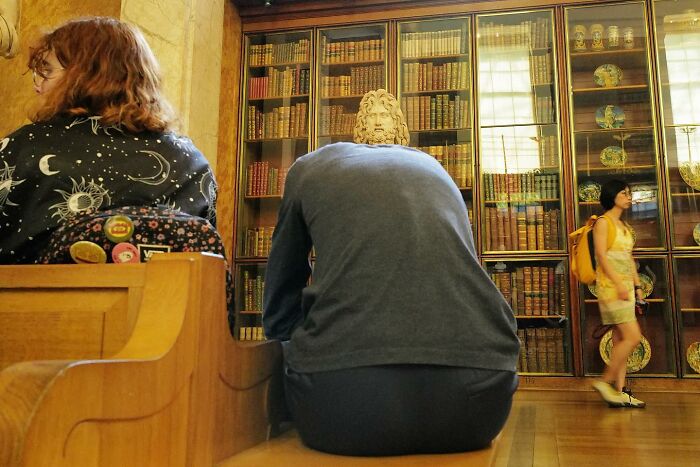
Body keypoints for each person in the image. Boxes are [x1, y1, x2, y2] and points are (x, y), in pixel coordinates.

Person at [263, 97, 519, 456]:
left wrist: (285, 352)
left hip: (341, 407)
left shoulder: (309, 167)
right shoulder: (435, 169)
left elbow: (282, 281)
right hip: (481, 404)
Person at [0, 17, 216, 264]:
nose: (38, 85)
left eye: (47, 71)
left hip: (46, 301)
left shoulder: (27, 146)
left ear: (86, 74)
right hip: (167, 301)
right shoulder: (192, 163)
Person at [591, 179, 646, 408]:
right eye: (624, 193)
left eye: (629, 193)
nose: (628, 197)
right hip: (612, 290)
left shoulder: (623, 226)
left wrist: (638, 287)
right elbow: (602, 256)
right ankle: (605, 382)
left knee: (621, 339)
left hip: (625, 289)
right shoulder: (603, 223)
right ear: (613, 196)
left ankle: (620, 391)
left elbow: (629, 258)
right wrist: (619, 284)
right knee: (633, 337)